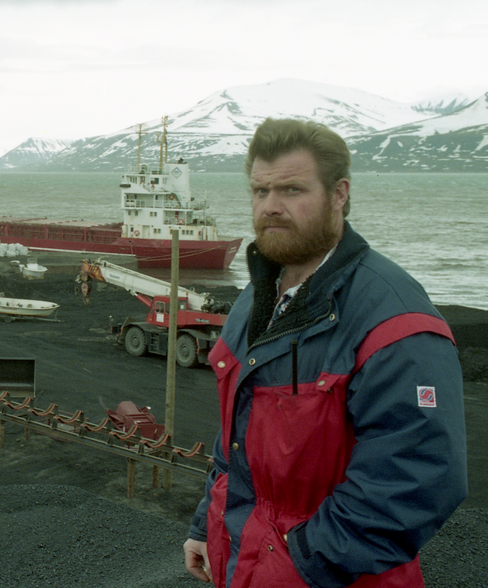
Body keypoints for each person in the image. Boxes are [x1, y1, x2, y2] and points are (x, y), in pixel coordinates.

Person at [182, 118, 467, 588]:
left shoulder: (395, 322)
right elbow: (237, 438)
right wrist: (206, 526)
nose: (270, 207)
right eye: (259, 191)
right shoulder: (254, 301)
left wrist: (300, 561)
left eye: (292, 190)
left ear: (339, 193)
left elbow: (418, 478)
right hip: (244, 560)